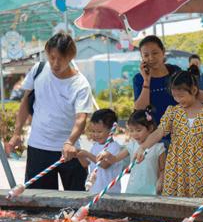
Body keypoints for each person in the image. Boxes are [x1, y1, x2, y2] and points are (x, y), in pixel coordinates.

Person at [7, 33, 93, 190]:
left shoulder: (80, 85)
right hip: (38, 148)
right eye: (52, 57)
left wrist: (69, 142)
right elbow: (25, 101)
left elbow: (81, 119)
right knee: (39, 203)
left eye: (61, 58)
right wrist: (16, 133)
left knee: (75, 201)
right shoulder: (38, 69)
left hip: (69, 151)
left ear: (71, 56)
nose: (55, 63)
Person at [135, 71, 203, 198]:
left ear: (193, 90)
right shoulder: (173, 112)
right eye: (175, 96)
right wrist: (143, 147)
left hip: (201, 168)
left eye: (181, 96)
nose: (178, 100)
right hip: (176, 168)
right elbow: (159, 132)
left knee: (200, 206)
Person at [133, 36, 203, 125]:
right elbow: (140, 109)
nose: (151, 58)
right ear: (142, 58)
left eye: (155, 53)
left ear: (163, 52)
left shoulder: (174, 71)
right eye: (146, 55)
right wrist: (146, 81)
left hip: (181, 130)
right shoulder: (139, 79)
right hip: (156, 136)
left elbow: (193, 92)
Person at [98, 108, 166, 195]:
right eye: (131, 130)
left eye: (138, 130)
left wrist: (161, 180)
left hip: (152, 191)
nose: (134, 134)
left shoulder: (158, 148)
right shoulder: (132, 145)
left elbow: (163, 169)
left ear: (150, 128)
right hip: (132, 190)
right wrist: (107, 155)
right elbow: (115, 159)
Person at [77, 109, 123, 194]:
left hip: (110, 192)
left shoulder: (115, 147)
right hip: (94, 190)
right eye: (93, 131)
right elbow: (86, 164)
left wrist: (87, 154)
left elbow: (104, 165)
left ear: (112, 129)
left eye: (99, 131)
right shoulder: (95, 146)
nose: (95, 134)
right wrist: (80, 156)